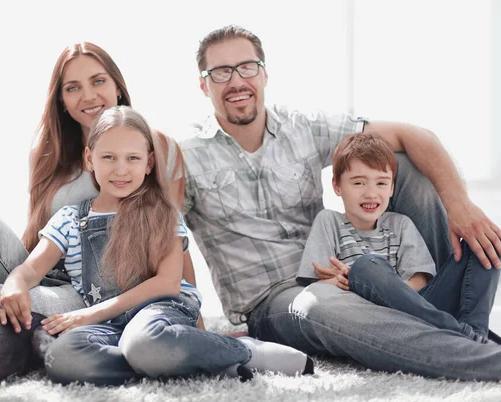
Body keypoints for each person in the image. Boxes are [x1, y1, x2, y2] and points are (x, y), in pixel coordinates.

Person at [179, 24, 501, 381]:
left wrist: (461, 206)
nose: (237, 81)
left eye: (247, 67)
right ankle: (483, 358)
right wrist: (195, 326)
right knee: (321, 303)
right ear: (203, 84)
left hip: (354, 271)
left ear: (264, 73)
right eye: (221, 72)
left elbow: (416, 135)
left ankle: (433, 297)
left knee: (401, 161)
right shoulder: (186, 156)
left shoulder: (302, 128)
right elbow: (168, 240)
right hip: (277, 300)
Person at [3, 105, 313, 385]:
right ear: (89, 159)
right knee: (62, 356)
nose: (121, 169)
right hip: (111, 327)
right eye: (108, 157)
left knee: (143, 342)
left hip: (162, 312)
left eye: (132, 158)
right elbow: (32, 268)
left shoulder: (162, 213)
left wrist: (88, 315)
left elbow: (166, 283)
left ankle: (240, 350)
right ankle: (183, 362)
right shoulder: (71, 220)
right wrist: (15, 283)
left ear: (149, 163)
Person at [0, 42, 199, 331]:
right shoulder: (47, 153)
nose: (88, 96)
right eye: (72, 88)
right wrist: (18, 279)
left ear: (118, 87)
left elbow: (170, 240)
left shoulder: (158, 147)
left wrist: (193, 319)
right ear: (62, 101)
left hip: (94, 292)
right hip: (42, 270)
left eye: (98, 81)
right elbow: (38, 230)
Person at [297, 132, 497, 344]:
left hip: (421, 309)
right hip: (368, 320)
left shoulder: (400, 224)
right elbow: (315, 285)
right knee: (366, 267)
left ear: (392, 187)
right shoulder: (329, 221)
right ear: (337, 186)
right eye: (358, 183)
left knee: (487, 242)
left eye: (381, 184)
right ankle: (460, 334)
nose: (371, 194)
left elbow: (420, 281)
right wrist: (357, 281)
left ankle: (475, 337)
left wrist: (389, 292)